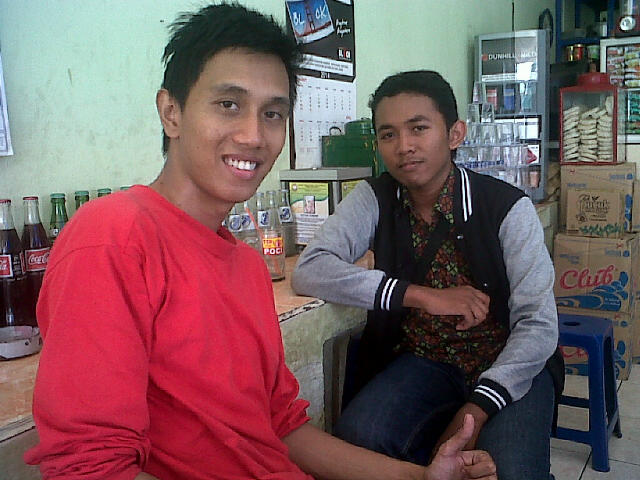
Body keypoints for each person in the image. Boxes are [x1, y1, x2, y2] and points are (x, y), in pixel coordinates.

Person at [24, 6, 498, 480]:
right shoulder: (114, 237)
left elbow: (282, 427)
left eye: (272, 114)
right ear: (171, 112)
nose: (253, 136)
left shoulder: (247, 266)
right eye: (228, 104)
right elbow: (90, 466)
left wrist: (421, 477)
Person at [292, 70, 564, 480]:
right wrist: (421, 295)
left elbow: (539, 325)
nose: (404, 146)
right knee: (359, 439)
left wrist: (478, 407)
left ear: (455, 134)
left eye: (418, 128)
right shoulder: (375, 197)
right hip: (426, 361)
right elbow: (311, 269)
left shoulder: (507, 208)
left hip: (509, 363)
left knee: (510, 471)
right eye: (388, 134)